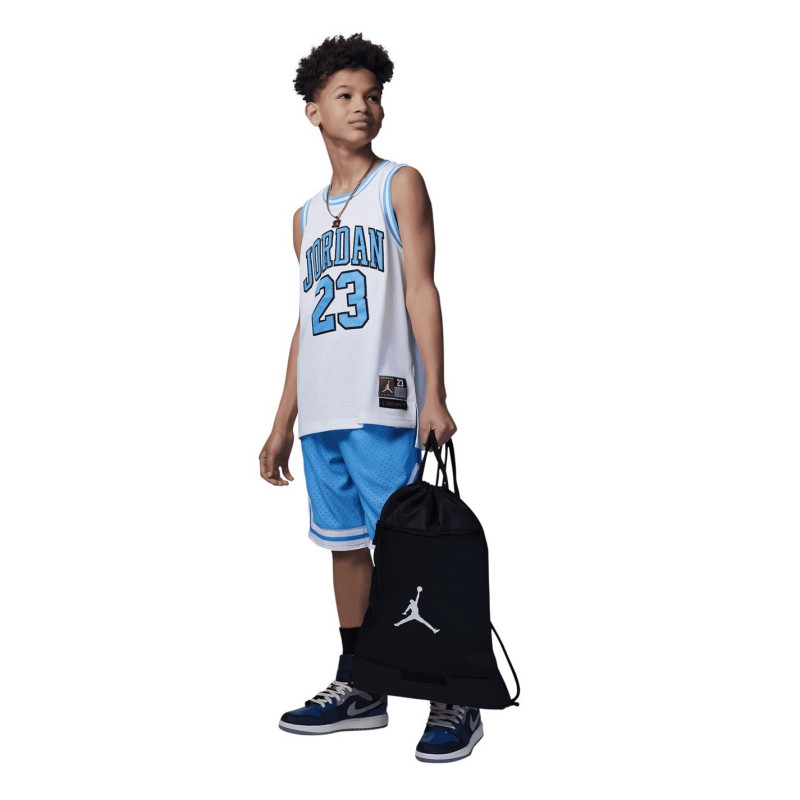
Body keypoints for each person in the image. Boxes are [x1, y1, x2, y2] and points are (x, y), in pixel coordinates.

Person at [259, 33, 483, 763]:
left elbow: (421, 288)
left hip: (383, 401)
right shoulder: (304, 217)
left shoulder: (399, 184)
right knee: (346, 547)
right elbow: (305, 322)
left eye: (373, 95)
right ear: (313, 110)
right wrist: (282, 422)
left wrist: (435, 392)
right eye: (346, 95)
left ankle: (452, 690)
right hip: (322, 412)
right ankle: (362, 682)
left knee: (411, 548)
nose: (363, 107)